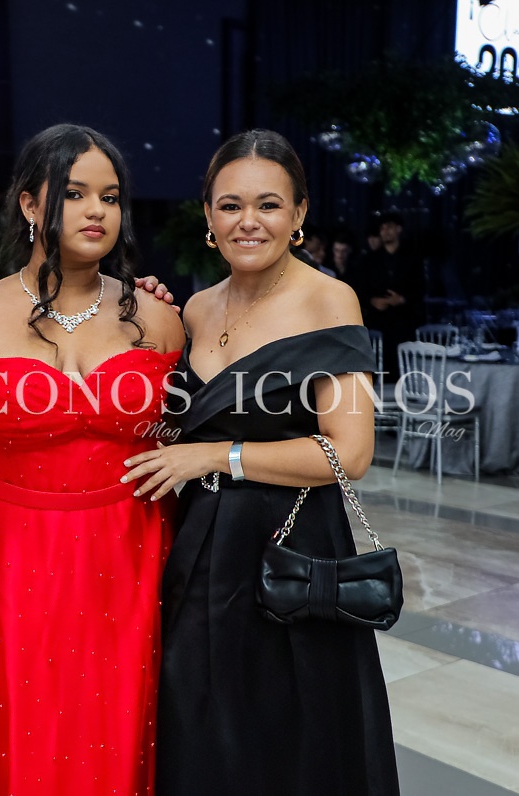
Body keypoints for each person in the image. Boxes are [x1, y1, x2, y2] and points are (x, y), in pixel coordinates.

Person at [0, 123, 185, 795]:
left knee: (117, 728)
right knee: (15, 728)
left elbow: (178, 442)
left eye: (111, 197)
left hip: (130, 556)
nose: (97, 212)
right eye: (76, 193)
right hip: (6, 560)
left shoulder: (157, 317)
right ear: (31, 204)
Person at [124, 129, 399, 795]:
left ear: (299, 213)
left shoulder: (328, 299)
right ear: (208, 216)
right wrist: (141, 322)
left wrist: (218, 455)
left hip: (289, 547)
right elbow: (171, 422)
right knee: (200, 727)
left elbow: (350, 452)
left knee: (285, 735)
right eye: (230, 205)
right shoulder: (195, 307)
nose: (248, 221)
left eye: (269, 205)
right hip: (199, 548)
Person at [358, 210, 426, 375]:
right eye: (382, 228)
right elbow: (359, 288)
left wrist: (402, 299)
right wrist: (372, 301)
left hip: (404, 322)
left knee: (403, 368)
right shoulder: (370, 260)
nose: (385, 231)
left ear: (398, 229)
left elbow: (421, 288)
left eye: (389, 227)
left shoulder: (412, 258)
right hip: (377, 323)